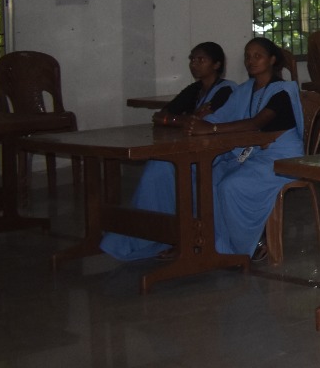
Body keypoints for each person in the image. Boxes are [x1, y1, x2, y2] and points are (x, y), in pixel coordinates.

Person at [101, 42, 237, 261]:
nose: (194, 64)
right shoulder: (195, 90)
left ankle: (174, 235)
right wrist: (182, 119)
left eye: (200, 60)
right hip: (188, 150)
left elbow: (203, 122)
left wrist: (178, 120)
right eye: (192, 59)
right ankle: (154, 232)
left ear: (217, 64)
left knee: (162, 168)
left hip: (214, 156)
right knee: (158, 167)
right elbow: (161, 116)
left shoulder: (226, 90)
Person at [201, 37, 305, 261]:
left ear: (272, 60)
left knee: (231, 185)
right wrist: (200, 124)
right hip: (254, 154)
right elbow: (223, 115)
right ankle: (219, 245)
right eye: (247, 56)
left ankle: (246, 247)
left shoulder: (282, 91)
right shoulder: (244, 90)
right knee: (211, 177)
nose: (251, 61)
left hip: (283, 160)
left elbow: (256, 123)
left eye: (257, 56)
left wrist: (213, 128)